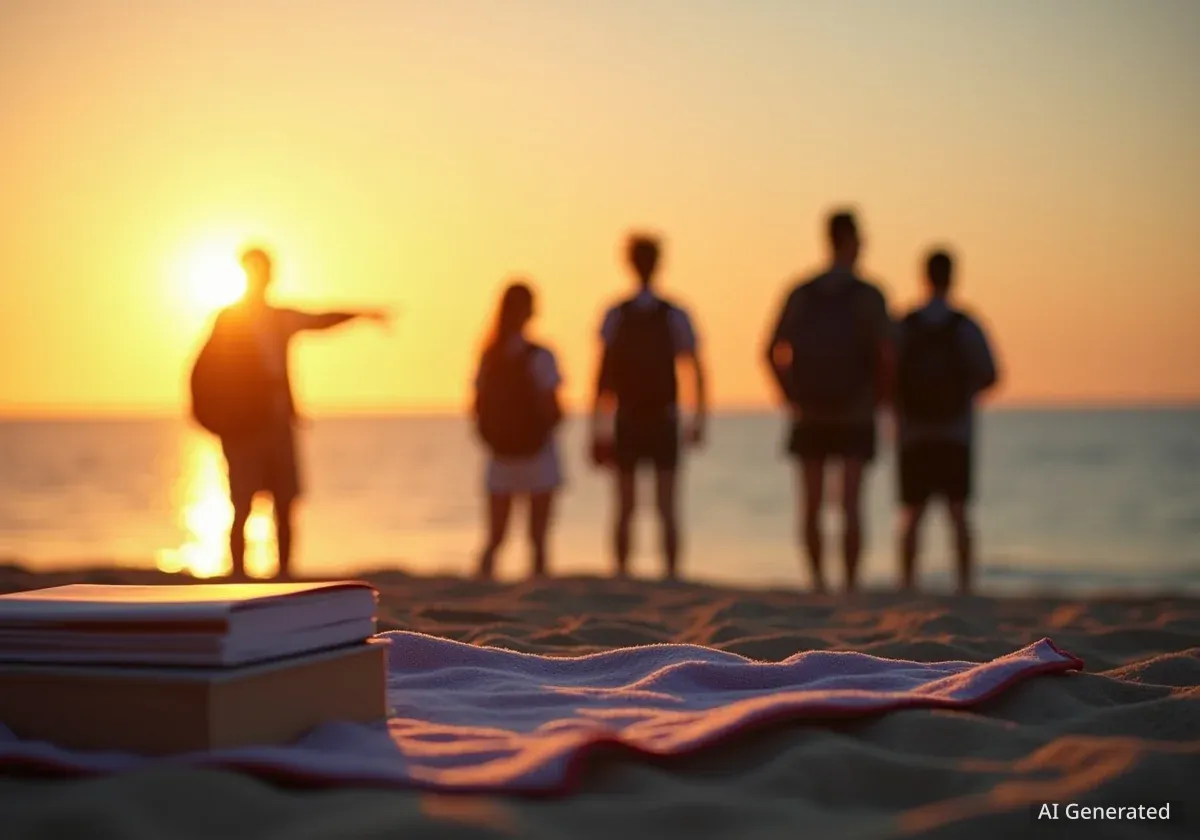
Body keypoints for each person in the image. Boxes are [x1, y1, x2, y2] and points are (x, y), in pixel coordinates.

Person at [189, 246, 389, 580]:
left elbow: (321, 319)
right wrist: (220, 418)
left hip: (278, 422)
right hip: (242, 428)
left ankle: (283, 574)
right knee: (243, 502)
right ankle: (239, 575)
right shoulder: (230, 319)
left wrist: (361, 315)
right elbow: (207, 373)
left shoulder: (279, 317)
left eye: (267, 270)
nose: (265, 277)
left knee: (285, 501)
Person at [764, 210, 894, 594]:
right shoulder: (869, 295)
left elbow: (770, 349)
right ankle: (850, 584)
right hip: (856, 410)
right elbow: (888, 354)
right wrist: (880, 399)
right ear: (851, 241)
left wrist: (789, 394)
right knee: (851, 504)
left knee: (812, 504)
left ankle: (818, 582)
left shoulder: (802, 293)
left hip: (810, 410)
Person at [590, 233, 707, 580]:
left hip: (630, 417)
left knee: (626, 505)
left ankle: (623, 571)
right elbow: (695, 369)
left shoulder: (617, 314)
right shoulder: (673, 314)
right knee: (665, 505)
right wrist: (699, 417)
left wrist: (597, 427)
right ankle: (669, 573)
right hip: (660, 416)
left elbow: (601, 377)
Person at [895, 249, 998, 595]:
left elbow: (887, 374)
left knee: (912, 515)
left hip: (913, 433)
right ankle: (964, 586)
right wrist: (962, 393)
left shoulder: (906, 325)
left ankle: (908, 584)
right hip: (956, 433)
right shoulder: (965, 325)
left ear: (924, 277)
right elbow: (991, 374)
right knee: (958, 514)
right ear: (953, 278)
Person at [473, 280, 565, 579]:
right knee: (538, 539)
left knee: (495, 536)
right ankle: (538, 585)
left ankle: (482, 584)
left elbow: (477, 407)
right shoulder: (540, 356)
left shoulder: (490, 356)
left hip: (501, 455)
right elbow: (552, 407)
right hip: (538, 454)